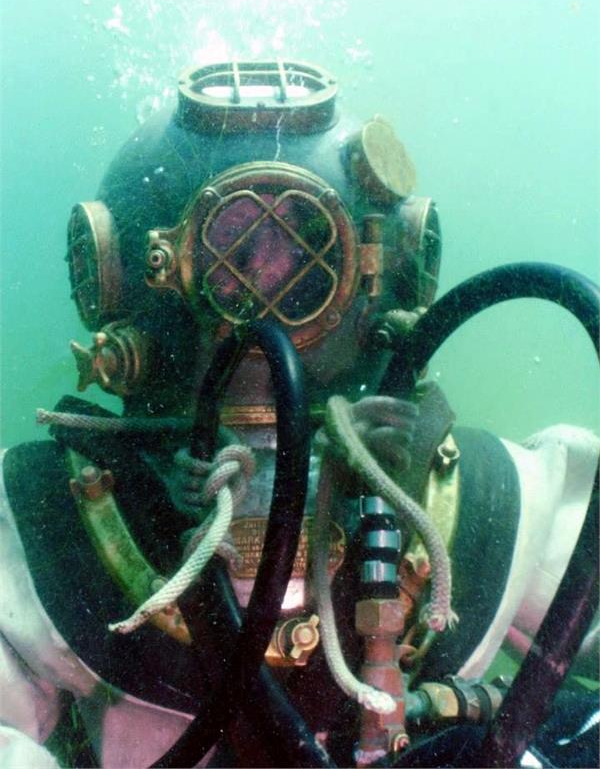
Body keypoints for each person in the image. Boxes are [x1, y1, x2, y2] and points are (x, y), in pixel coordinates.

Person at [1, 60, 598, 769]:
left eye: (308, 245)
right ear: (130, 275)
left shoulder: (503, 507)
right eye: (233, 250)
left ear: (377, 268)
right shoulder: (41, 538)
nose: (270, 288)